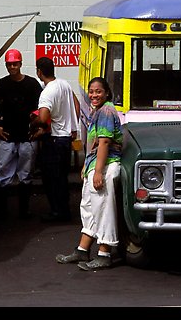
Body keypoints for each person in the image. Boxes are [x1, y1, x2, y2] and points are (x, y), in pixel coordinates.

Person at [55, 77, 122, 271]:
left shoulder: (107, 111)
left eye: (98, 91)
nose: (94, 95)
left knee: (103, 210)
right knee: (90, 208)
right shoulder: (98, 111)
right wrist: (87, 165)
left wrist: (98, 172)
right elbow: (93, 144)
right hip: (96, 164)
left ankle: (104, 254)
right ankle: (82, 250)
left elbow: (104, 143)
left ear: (107, 93)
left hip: (106, 166)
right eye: (91, 91)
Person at [0, 49, 43, 219]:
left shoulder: (32, 84)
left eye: (15, 64)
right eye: (9, 64)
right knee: (2, 173)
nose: (12, 67)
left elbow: (43, 107)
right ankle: (1, 211)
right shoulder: (1, 85)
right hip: (7, 137)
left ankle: (24, 211)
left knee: (25, 175)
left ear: (21, 64)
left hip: (27, 136)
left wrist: (40, 127)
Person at [32, 56, 80, 222]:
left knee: (51, 178)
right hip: (65, 139)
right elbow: (75, 103)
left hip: (54, 141)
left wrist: (33, 122)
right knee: (62, 177)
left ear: (39, 71)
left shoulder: (47, 92)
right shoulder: (64, 84)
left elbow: (43, 116)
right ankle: (64, 210)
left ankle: (57, 212)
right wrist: (73, 125)